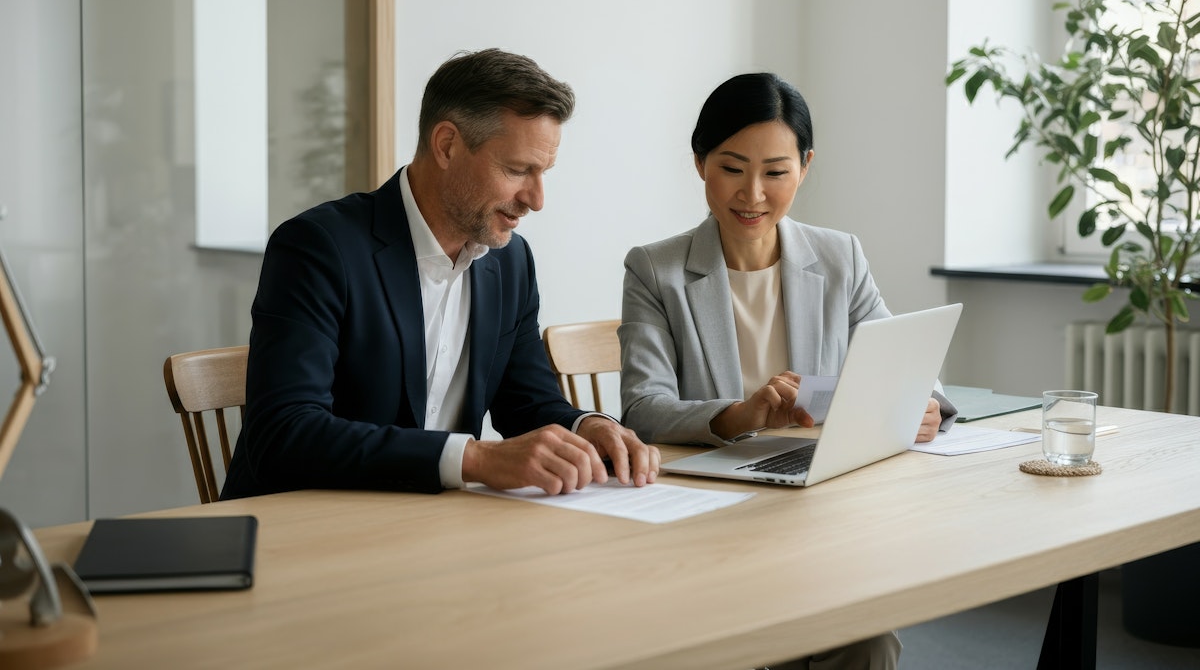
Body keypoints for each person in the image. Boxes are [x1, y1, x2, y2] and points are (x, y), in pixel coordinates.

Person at [618, 72, 954, 669]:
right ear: (699, 163)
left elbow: (904, 362)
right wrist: (738, 414)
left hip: (818, 506)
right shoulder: (655, 269)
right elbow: (643, 408)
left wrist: (920, 405)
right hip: (707, 513)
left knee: (869, 639)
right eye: (731, 168)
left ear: (805, 167)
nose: (752, 194)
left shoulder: (839, 256)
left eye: (775, 172)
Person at [222, 48, 659, 500]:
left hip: (434, 519)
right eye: (517, 170)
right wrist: (476, 459)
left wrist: (586, 427)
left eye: (543, 172)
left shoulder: (511, 261)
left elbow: (526, 401)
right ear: (447, 145)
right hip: (300, 520)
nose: (536, 199)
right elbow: (284, 433)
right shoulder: (318, 247)